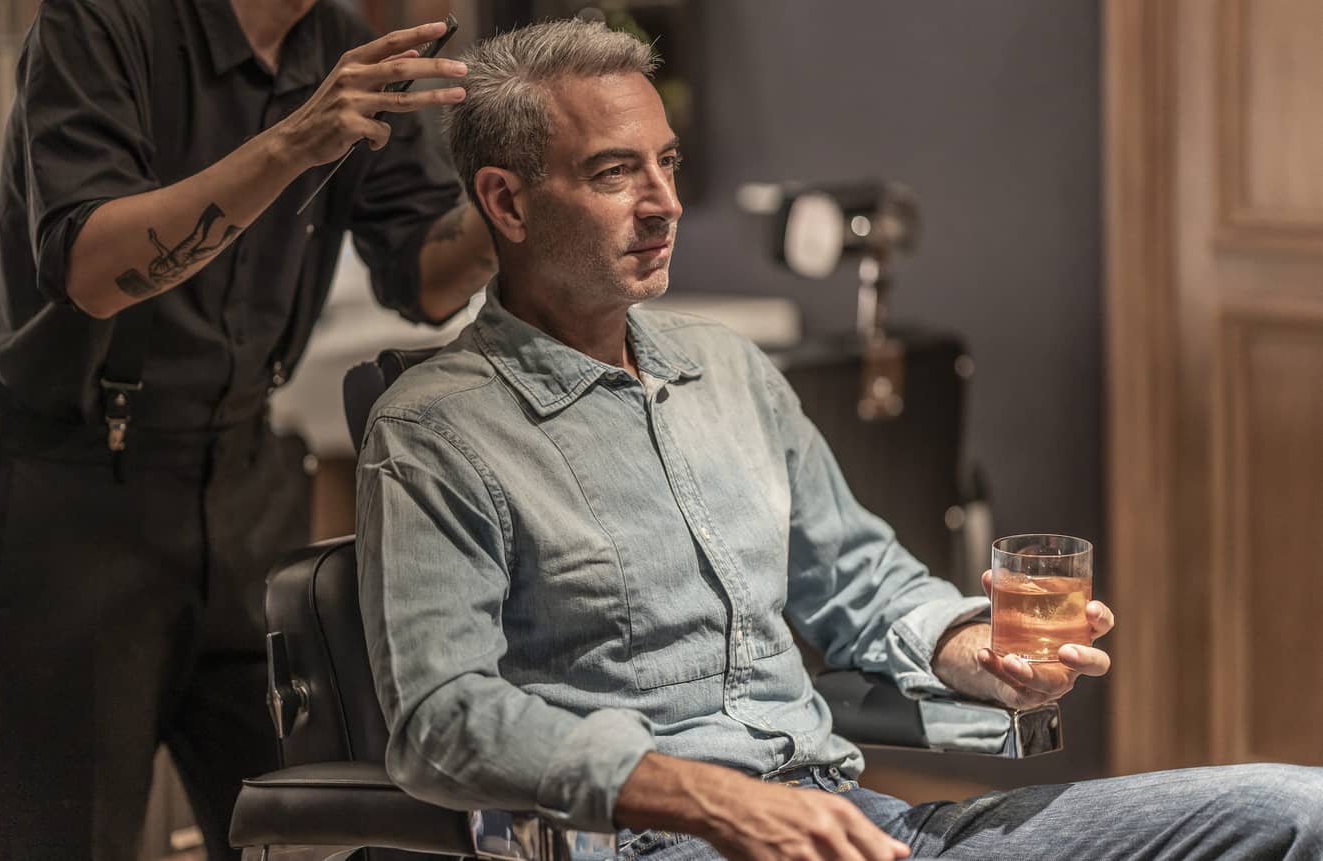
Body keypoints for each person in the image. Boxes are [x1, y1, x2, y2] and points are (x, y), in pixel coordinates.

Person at [355, 19, 1323, 861]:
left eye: (667, 162)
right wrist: (707, 796)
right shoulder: (439, 431)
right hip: (649, 844)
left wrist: (967, 647)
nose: (664, 203)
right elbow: (443, 721)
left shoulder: (727, 370)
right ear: (508, 202)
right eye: (615, 173)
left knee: (1298, 813)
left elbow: (858, 579)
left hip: (848, 820)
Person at [0, 1, 494, 857]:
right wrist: (293, 142)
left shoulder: (341, 44)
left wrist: (515, 204)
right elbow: (90, 269)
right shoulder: (102, 21)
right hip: (74, 498)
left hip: (245, 485)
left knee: (305, 831)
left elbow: (424, 276)